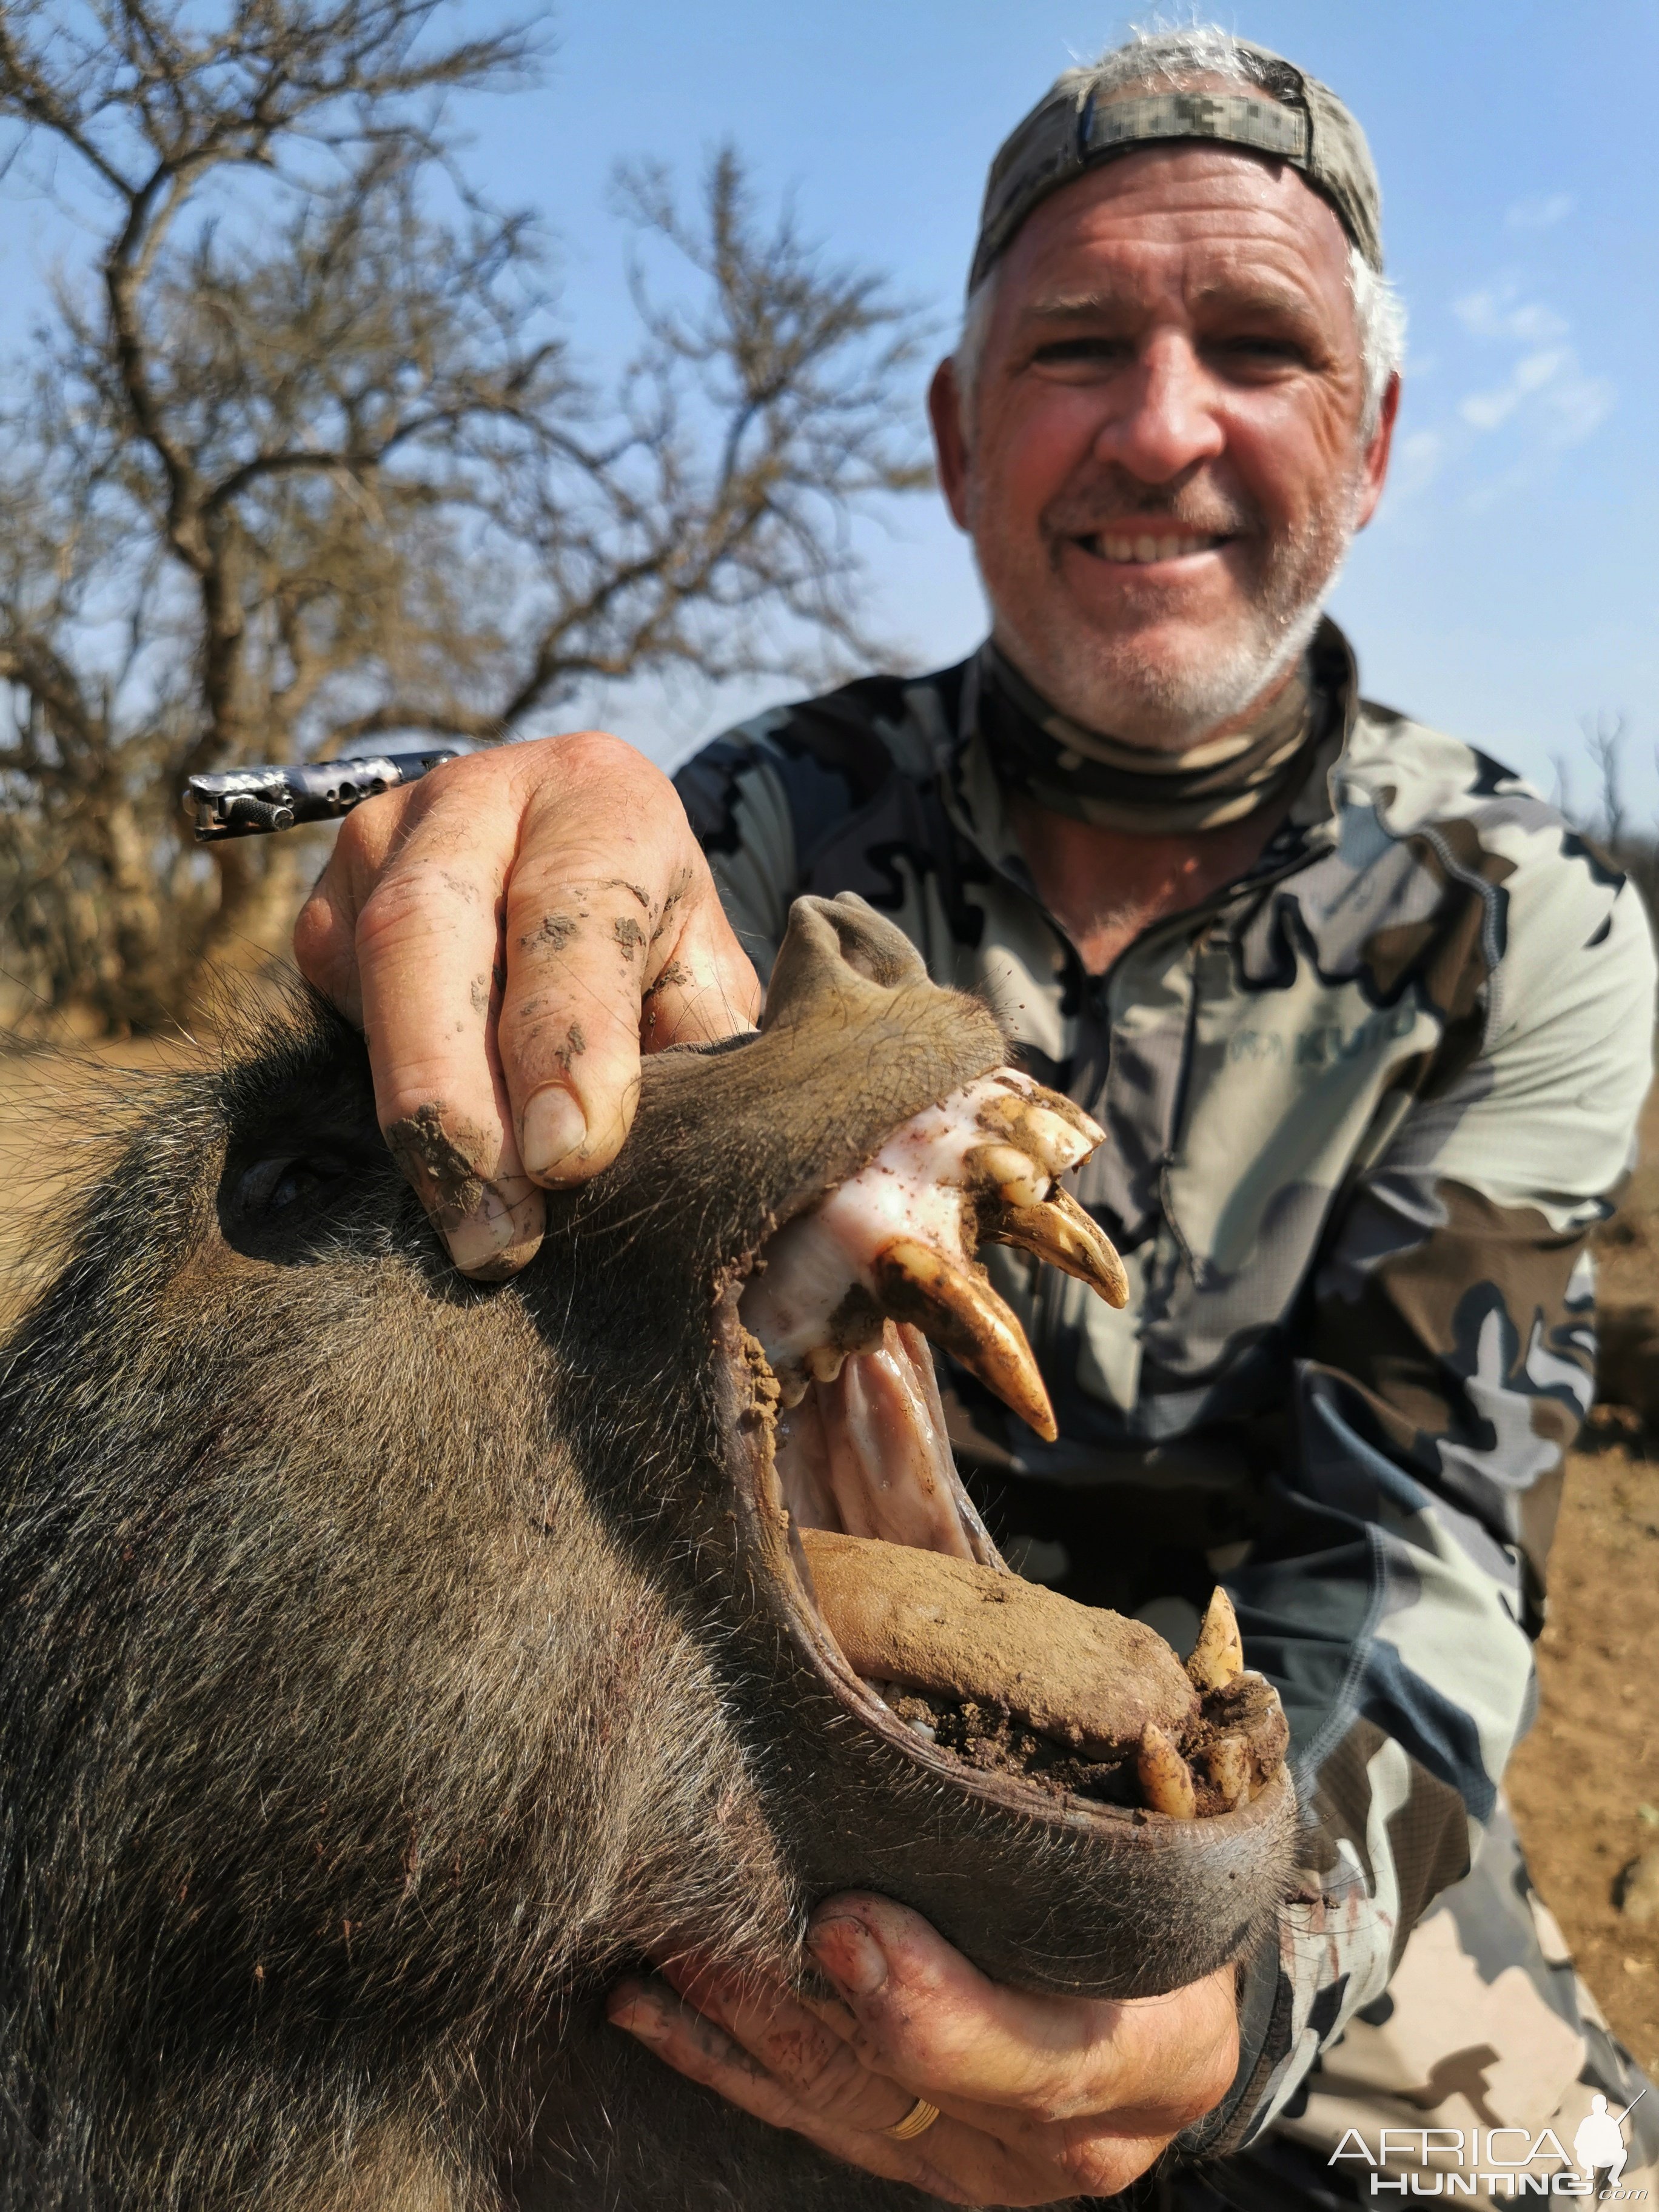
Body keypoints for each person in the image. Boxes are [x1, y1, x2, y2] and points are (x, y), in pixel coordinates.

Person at [295, 28, 1659, 2207]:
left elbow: (1413, 1571)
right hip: (759, 1754)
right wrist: (479, 890)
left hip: (1281, 1809)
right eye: (1078, 345)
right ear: (953, 433)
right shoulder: (742, 835)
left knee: (1572, 2176)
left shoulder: (1530, 927)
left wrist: (1224, 1997)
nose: (1162, 424)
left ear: (1375, 439)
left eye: (1260, 345)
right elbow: (495, 1316)